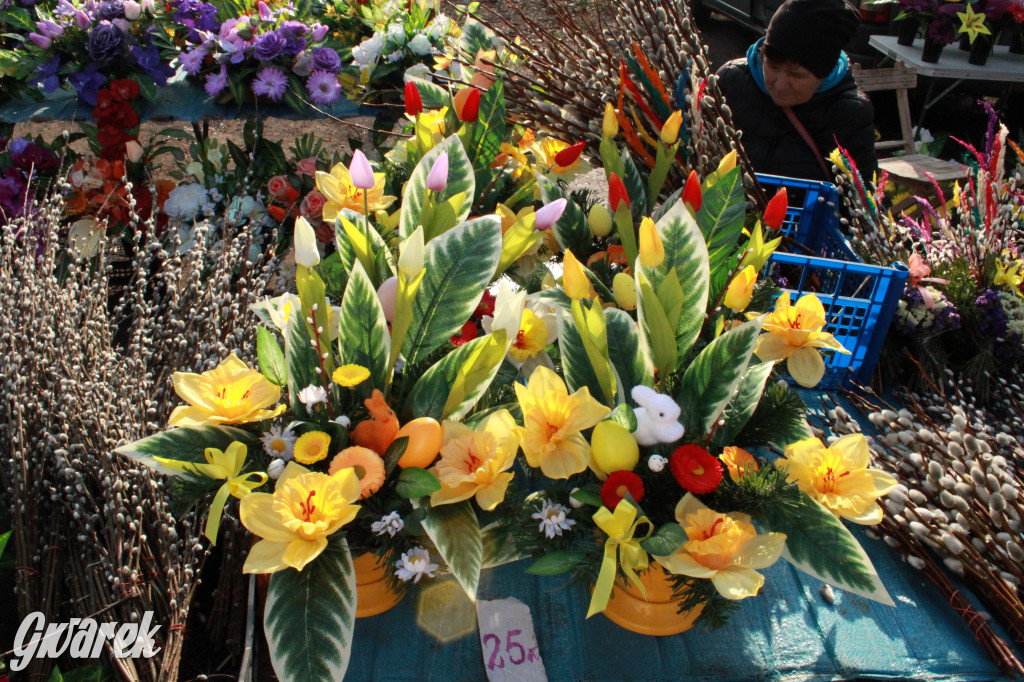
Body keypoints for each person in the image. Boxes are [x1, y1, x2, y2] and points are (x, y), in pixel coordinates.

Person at [716, 0, 877, 183]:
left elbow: (862, 199)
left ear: (824, 73)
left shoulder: (850, 114)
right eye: (772, 66)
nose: (780, 85)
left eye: (797, 75)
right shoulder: (731, 80)